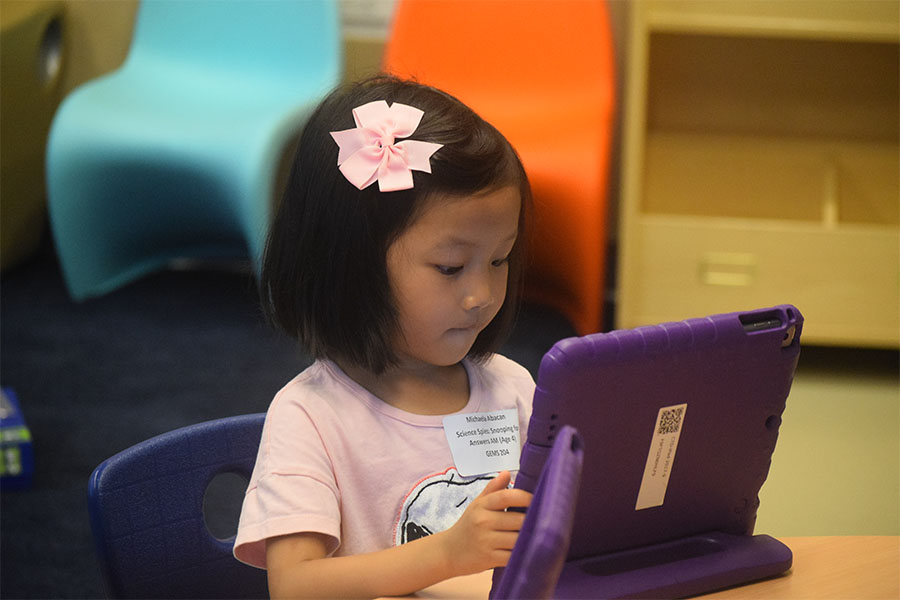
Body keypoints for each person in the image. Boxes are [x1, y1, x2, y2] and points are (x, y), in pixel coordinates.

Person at [234, 75, 536, 598]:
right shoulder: (311, 416)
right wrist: (447, 554)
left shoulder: (512, 388)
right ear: (351, 267)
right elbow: (294, 585)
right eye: (449, 267)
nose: (481, 294)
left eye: (499, 259)